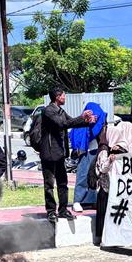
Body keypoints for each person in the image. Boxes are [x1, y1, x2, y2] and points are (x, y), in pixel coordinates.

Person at [40, 86, 95, 223]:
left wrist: (87, 121)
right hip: (49, 153)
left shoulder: (60, 110)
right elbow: (62, 124)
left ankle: (63, 210)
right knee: (49, 185)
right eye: (64, 95)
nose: (65, 98)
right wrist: (82, 117)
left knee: (63, 183)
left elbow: (71, 122)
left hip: (59, 153)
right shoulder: (48, 111)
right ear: (57, 97)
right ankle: (51, 211)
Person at [94, 121, 132, 246]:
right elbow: (102, 169)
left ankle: (116, 238)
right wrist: (109, 160)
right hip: (105, 188)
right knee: (103, 214)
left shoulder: (120, 149)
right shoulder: (103, 150)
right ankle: (102, 238)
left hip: (117, 189)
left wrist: (120, 150)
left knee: (116, 215)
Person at [70, 102, 107, 212]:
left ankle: (91, 200)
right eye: (93, 115)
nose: (95, 117)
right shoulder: (81, 123)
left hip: (96, 151)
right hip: (85, 152)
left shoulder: (100, 122)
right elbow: (76, 137)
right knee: (82, 175)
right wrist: (87, 123)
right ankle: (77, 201)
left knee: (94, 176)